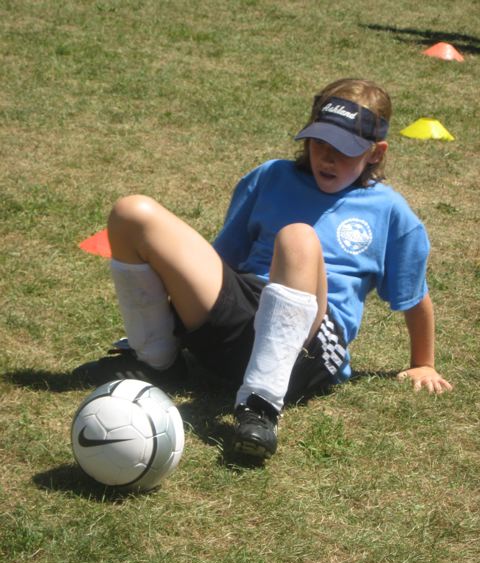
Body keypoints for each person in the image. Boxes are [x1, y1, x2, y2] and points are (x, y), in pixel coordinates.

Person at [74, 77, 453, 461]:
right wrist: (170, 318)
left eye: (344, 149)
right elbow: (222, 262)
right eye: (320, 142)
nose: (327, 157)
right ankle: (156, 361)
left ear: (375, 153)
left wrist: (423, 363)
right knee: (130, 212)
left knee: (298, 238)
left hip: (309, 346)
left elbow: (414, 298)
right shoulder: (271, 177)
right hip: (240, 317)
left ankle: (260, 407)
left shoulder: (391, 212)